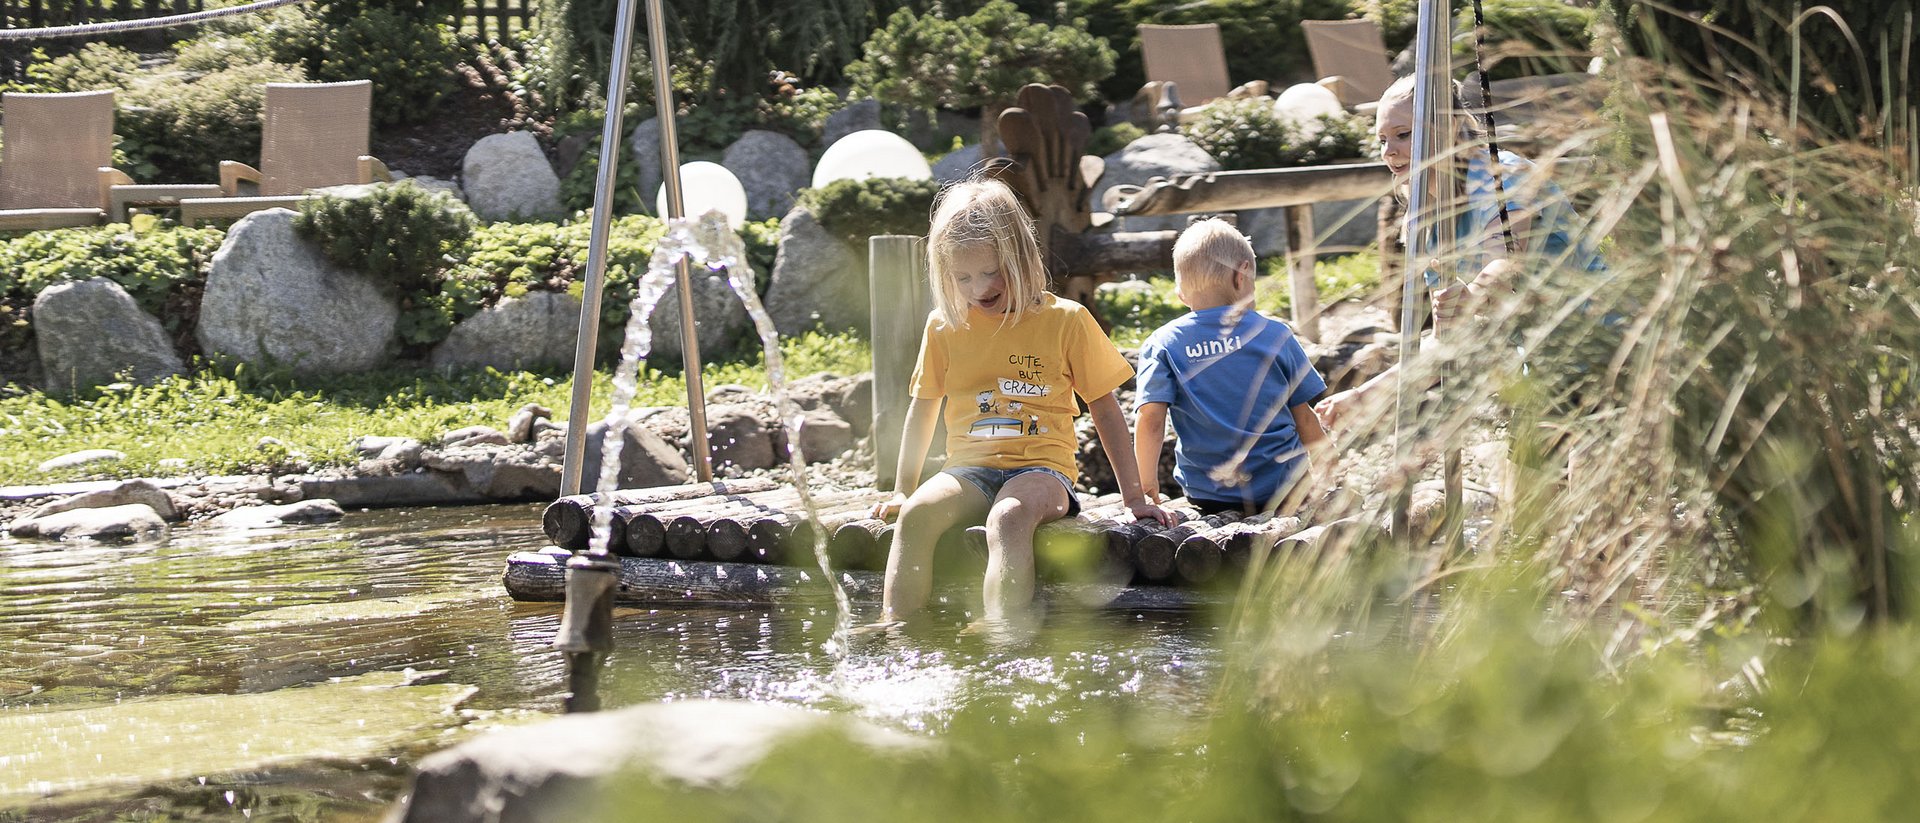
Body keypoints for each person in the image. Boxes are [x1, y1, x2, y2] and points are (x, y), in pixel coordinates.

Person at [870, 179, 1171, 628]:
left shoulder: (1065, 321)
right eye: (963, 277)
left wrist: (1134, 496)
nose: (979, 288)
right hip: (968, 470)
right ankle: (895, 625)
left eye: (992, 271)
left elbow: (1105, 409)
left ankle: (1001, 628)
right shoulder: (944, 327)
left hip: (1042, 472)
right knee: (917, 515)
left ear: (1021, 258)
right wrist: (902, 488)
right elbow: (924, 408)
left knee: (1009, 517)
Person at [1315, 74, 1606, 430]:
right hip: (1544, 361)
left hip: (1601, 341)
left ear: (1450, 127)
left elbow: (1506, 262)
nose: (1389, 151)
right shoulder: (1427, 218)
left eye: (1404, 134)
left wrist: (1472, 296)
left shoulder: (1500, 175)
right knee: (1527, 479)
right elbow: (1445, 344)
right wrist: (1364, 396)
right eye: (1382, 139)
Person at [1133, 218, 1331, 516]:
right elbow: (1304, 416)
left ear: (1181, 294)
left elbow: (1150, 419)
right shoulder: (1275, 334)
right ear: (1242, 277)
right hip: (1285, 487)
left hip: (1208, 493)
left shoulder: (1163, 342)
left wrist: (1146, 487)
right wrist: (1331, 470)